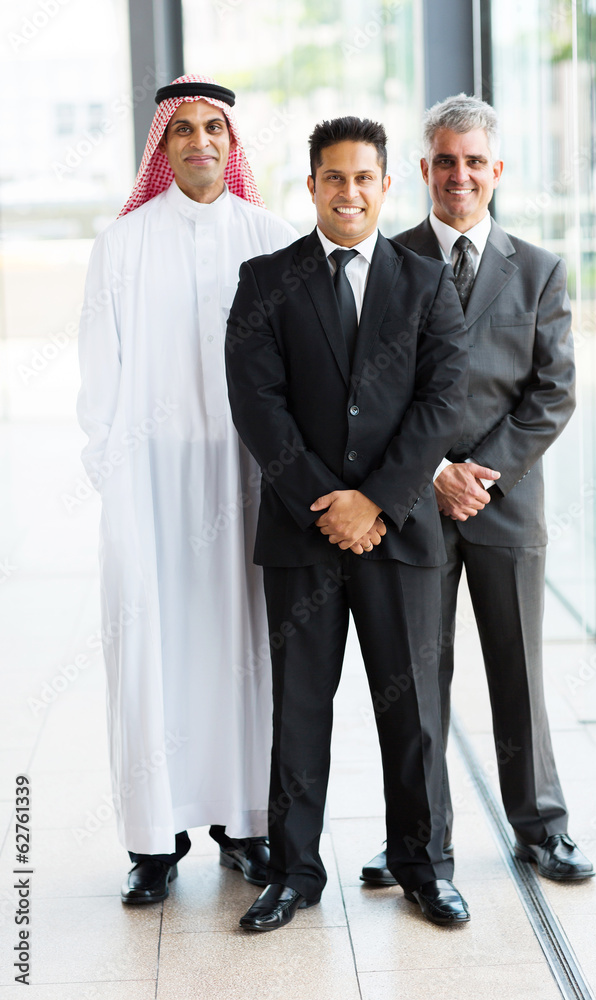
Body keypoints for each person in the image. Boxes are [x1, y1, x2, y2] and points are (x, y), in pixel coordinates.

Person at [225, 116, 470, 932]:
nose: (349, 192)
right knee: (298, 707)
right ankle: (294, 872)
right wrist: (329, 504)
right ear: (311, 187)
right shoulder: (264, 281)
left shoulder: (427, 282)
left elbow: (443, 402)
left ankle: (423, 866)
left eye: (364, 178)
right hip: (304, 533)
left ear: (386, 184)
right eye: (334, 178)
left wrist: (378, 500)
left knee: (413, 713)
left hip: (398, 534)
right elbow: (257, 408)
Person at [361, 94, 594, 887]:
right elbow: (373, 390)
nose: (459, 176)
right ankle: (415, 842)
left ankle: (542, 829)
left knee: (517, 674)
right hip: (413, 505)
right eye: (444, 162)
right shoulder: (386, 265)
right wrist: (431, 475)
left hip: (505, 506)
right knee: (414, 680)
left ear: (496, 171)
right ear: (422, 171)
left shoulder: (537, 271)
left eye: (473, 162)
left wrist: (478, 475)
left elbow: (552, 393)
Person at [77, 74, 298, 904]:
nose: (200, 141)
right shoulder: (122, 243)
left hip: (246, 480)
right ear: (162, 146)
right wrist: (113, 473)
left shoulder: (271, 236)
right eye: (183, 130)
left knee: (244, 651)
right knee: (150, 651)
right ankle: (154, 842)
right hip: (149, 481)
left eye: (215, 129)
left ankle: (245, 826)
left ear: (232, 145)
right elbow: (100, 371)